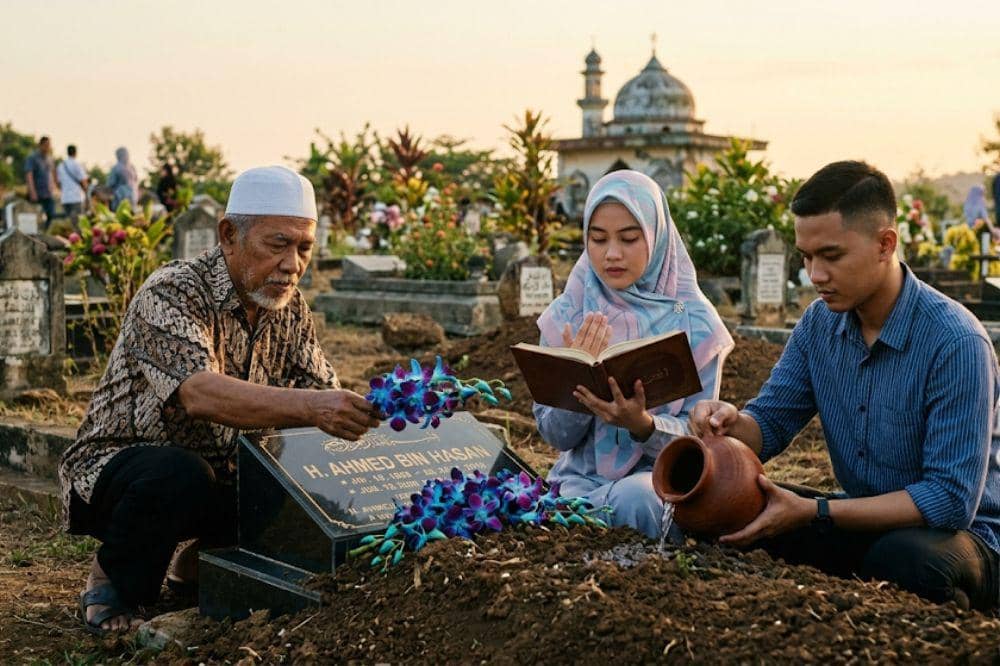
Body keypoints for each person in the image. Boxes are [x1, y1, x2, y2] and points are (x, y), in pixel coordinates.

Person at [59, 166, 381, 634]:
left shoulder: (289, 308)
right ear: (229, 235)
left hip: (226, 472)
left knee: (296, 473)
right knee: (180, 473)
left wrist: (376, 408)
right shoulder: (173, 290)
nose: (293, 264)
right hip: (122, 472)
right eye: (278, 245)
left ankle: (197, 563)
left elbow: (320, 389)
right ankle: (113, 580)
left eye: (304, 248)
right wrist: (314, 407)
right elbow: (199, 392)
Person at [690, 161, 1000, 611]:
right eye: (806, 256)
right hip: (862, 518)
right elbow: (771, 423)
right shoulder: (820, 324)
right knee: (735, 512)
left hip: (965, 541)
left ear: (884, 244)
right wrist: (726, 421)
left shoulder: (955, 341)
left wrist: (817, 512)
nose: (814, 274)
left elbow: (950, 500)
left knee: (909, 560)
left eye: (831, 256)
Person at [533, 170, 734, 539]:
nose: (612, 254)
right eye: (597, 239)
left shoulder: (696, 325)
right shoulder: (569, 313)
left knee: (638, 499)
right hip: (578, 485)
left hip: (659, 485)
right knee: (544, 512)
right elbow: (554, 436)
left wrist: (642, 425)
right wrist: (575, 376)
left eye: (629, 238)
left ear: (657, 239)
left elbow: (702, 441)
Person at [25, 136, 57, 227]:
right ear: (40, 145)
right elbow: (29, 175)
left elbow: (51, 174)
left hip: (48, 193)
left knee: (51, 215)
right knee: (35, 218)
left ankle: (45, 234)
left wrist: (54, 187)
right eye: (46, 145)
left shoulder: (50, 158)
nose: (48, 147)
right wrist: (32, 192)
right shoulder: (32, 158)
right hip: (37, 193)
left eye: (49, 145)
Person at [56, 144, 89, 230]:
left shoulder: (61, 166)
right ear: (75, 153)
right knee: (78, 224)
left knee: (68, 225)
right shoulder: (77, 164)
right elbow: (83, 181)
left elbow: (58, 183)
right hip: (76, 198)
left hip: (65, 199)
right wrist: (87, 194)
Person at [106, 146, 138, 210]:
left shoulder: (132, 167)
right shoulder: (116, 168)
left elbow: (136, 181)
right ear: (119, 156)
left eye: (127, 154)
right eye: (125, 154)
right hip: (120, 199)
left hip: (132, 199)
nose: (127, 156)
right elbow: (110, 184)